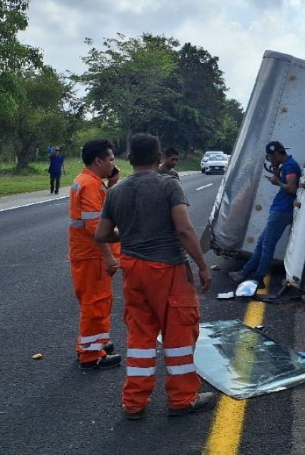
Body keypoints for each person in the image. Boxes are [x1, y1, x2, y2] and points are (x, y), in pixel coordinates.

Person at [94, 132, 215, 420]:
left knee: (140, 335)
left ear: (129, 158)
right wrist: (202, 265)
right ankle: (182, 399)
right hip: (168, 269)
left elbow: (101, 235)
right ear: (159, 158)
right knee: (179, 333)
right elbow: (184, 230)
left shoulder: (116, 191)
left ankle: (134, 403)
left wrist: (127, 234)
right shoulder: (168, 185)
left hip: (133, 269)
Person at [68, 139, 122, 370]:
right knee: (95, 304)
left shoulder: (89, 182)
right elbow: (95, 228)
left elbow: (97, 212)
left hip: (88, 254)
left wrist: (111, 185)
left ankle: (95, 343)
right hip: (93, 256)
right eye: (110, 159)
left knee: (96, 303)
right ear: (98, 160)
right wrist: (111, 253)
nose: (113, 163)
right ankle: (90, 356)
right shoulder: (90, 185)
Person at [228, 141, 300, 289]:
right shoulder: (287, 165)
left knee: (267, 245)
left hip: (282, 210)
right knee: (262, 242)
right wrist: (276, 172)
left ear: (276, 153)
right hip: (280, 209)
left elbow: (292, 188)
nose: (270, 160)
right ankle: (245, 272)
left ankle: (259, 277)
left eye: (270, 157)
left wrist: (277, 182)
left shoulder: (291, 166)